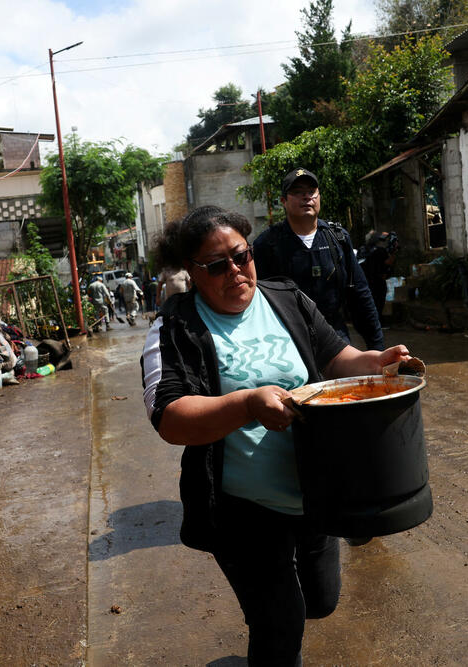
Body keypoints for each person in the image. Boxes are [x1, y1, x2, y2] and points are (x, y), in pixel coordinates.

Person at [141, 205, 412, 666]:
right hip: (240, 508)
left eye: (241, 256)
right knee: (280, 621)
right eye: (216, 265)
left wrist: (373, 361)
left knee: (321, 601)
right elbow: (169, 416)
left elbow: (334, 355)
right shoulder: (174, 327)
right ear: (191, 270)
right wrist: (246, 403)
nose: (235, 271)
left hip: (312, 491)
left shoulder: (285, 297)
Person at [252, 168, 385, 351]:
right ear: (283, 201)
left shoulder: (337, 238)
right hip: (289, 341)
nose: (306, 197)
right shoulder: (267, 244)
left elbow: (359, 295)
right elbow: (256, 303)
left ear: (319, 197)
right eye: (297, 192)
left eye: (311, 192)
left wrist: (376, 347)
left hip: (335, 337)